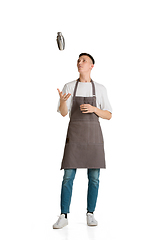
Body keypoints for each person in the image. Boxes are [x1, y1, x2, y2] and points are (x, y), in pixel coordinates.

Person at [53, 53, 112, 229]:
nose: (80, 62)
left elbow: (108, 115)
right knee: (67, 177)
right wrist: (63, 101)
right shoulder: (69, 86)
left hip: (94, 138)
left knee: (94, 178)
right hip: (75, 137)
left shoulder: (100, 88)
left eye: (84, 60)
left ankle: (90, 213)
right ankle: (63, 215)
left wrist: (94, 109)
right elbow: (64, 113)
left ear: (91, 66)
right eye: (78, 60)